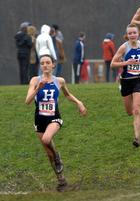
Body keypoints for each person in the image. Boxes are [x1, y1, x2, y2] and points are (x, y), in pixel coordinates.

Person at [25, 53, 87, 191]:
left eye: (48, 62)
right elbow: (27, 101)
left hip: (54, 117)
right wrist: (37, 89)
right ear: (40, 66)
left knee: (47, 139)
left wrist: (79, 102)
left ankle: (58, 157)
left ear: (53, 65)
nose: (45, 65)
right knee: (49, 155)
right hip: (39, 119)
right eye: (42, 63)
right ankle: (61, 181)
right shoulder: (35, 80)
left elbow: (67, 94)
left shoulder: (59, 81)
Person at [111, 24, 140, 147]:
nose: (132, 35)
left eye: (134, 33)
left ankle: (137, 138)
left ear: (138, 33)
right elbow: (112, 64)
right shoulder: (123, 47)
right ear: (127, 35)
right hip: (126, 81)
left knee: (137, 110)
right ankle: (125, 94)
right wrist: (126, 62)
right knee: (129, 112)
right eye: (130, 33)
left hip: (139, 80)